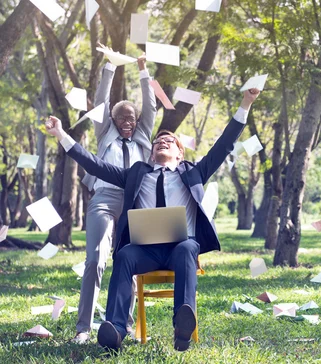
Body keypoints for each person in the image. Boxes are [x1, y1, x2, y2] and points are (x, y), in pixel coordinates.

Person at [45, 87, 260, 351]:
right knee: (123, 256)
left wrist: (246, 103)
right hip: (145, 251)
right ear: (150, 152)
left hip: (181, 247)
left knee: (186, 248)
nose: (162, 141)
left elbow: (224, 143)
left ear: (180, 154)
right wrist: (61, 134)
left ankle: (182, 328)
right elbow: (94, 165)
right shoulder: (136, 173)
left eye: (169, 141)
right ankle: (115, 329)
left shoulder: (194, 172)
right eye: (158, 141)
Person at [73, 44, 157, 344]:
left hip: (135, 204)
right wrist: (110, 65)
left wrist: (143, 70)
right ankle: (83, 328)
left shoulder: (144, 136)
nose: (128, 121)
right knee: (96, 259)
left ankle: (125, 325)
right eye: (122, 117)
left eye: (131, 117)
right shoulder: (105, 132)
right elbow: (100, 100)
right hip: (105, 199)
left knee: (130, 262)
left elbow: (151, 106)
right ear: (112, 119)